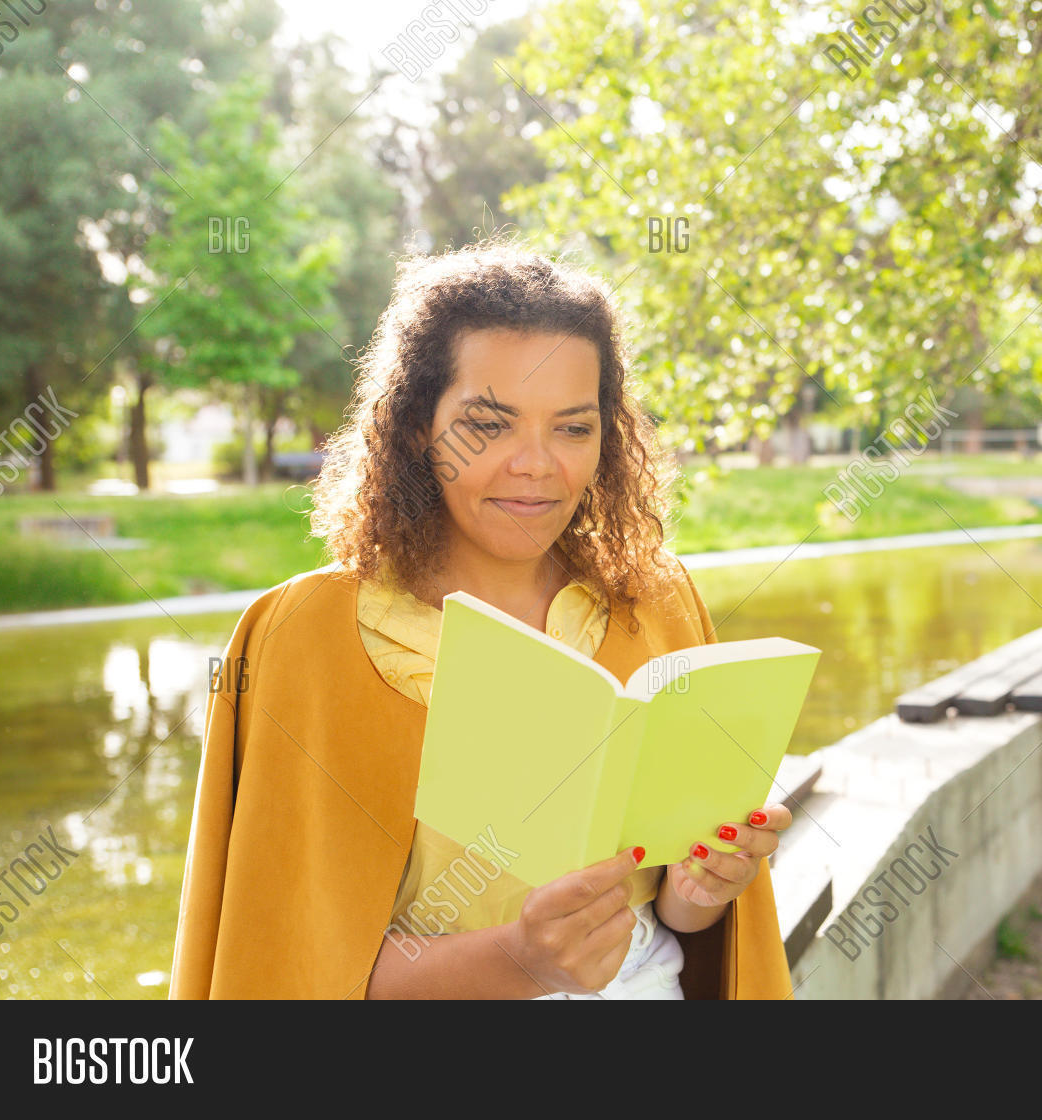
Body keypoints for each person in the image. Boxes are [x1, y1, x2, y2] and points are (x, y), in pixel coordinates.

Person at [169, 239, 795, 999]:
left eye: (572, 427)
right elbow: (296, 964)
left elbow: (682, 922)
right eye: (489, 425)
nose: (536, 464)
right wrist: (523, 960)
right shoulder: (311, 635)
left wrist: (705, 888)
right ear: (412, 429)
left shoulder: (654, 602)